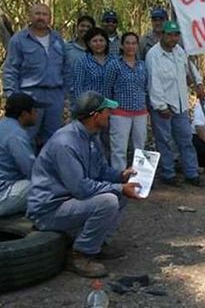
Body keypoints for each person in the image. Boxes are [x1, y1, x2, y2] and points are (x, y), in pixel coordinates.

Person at [27, 91, 141, 278]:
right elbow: (81, 189)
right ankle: (80, 254)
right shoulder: (65, 143)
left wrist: (121, 176)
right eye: (106, 111)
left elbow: (101, 170)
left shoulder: (90, 136)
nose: (110, 115)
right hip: (49, 210)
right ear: (95, 116)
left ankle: (97, 244)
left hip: (68, 200)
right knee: (108, 201)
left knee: (119, 195)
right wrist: (119, 188)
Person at [146, 20, 205, 187]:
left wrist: (199, 83)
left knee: (186, 139)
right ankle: (168, 173)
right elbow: (154, 82)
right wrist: (160, 106)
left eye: (176, 35)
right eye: (170, 35)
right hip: (163, 106)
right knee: (164, 141)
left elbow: (191, 69)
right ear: (162, 35)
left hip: (181, 105)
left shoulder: (180, 52)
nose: (173, 38)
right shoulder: (153, 55)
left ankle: (191, 173)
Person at [2, 3, 69, 147]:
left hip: (54, 96)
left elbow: (66, 68)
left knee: (53, 140)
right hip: (30, 95)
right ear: (30, 16)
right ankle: (25, 168)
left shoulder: (58, 40)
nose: (41, 17)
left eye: (45, 14)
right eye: (37, 14)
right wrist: (12, 96)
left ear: (50, 18)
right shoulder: (19, 40)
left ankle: (46, 169)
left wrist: (64, 94)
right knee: (25, 137)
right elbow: (10, 70)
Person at [104, 32, 148, 170]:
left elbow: (146, 87)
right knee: (119, 149)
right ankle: (119, 178)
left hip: (140, 112)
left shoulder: (143, 65)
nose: (131, 46)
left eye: (134, 43)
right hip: (119, 113)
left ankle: (139, 177)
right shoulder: (114, 65)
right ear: (122, 46)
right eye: (127, 43)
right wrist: (110, 109)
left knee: (140, 147)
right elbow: (107, 89)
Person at [72, 27, 114, 101]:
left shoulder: (115, 60)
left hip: (112, 105)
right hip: (90, 106)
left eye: (101, 40)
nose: (98, 44)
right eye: (94, 41)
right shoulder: (82, 61)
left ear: (106, 42)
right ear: (89, 44)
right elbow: (78, 87)